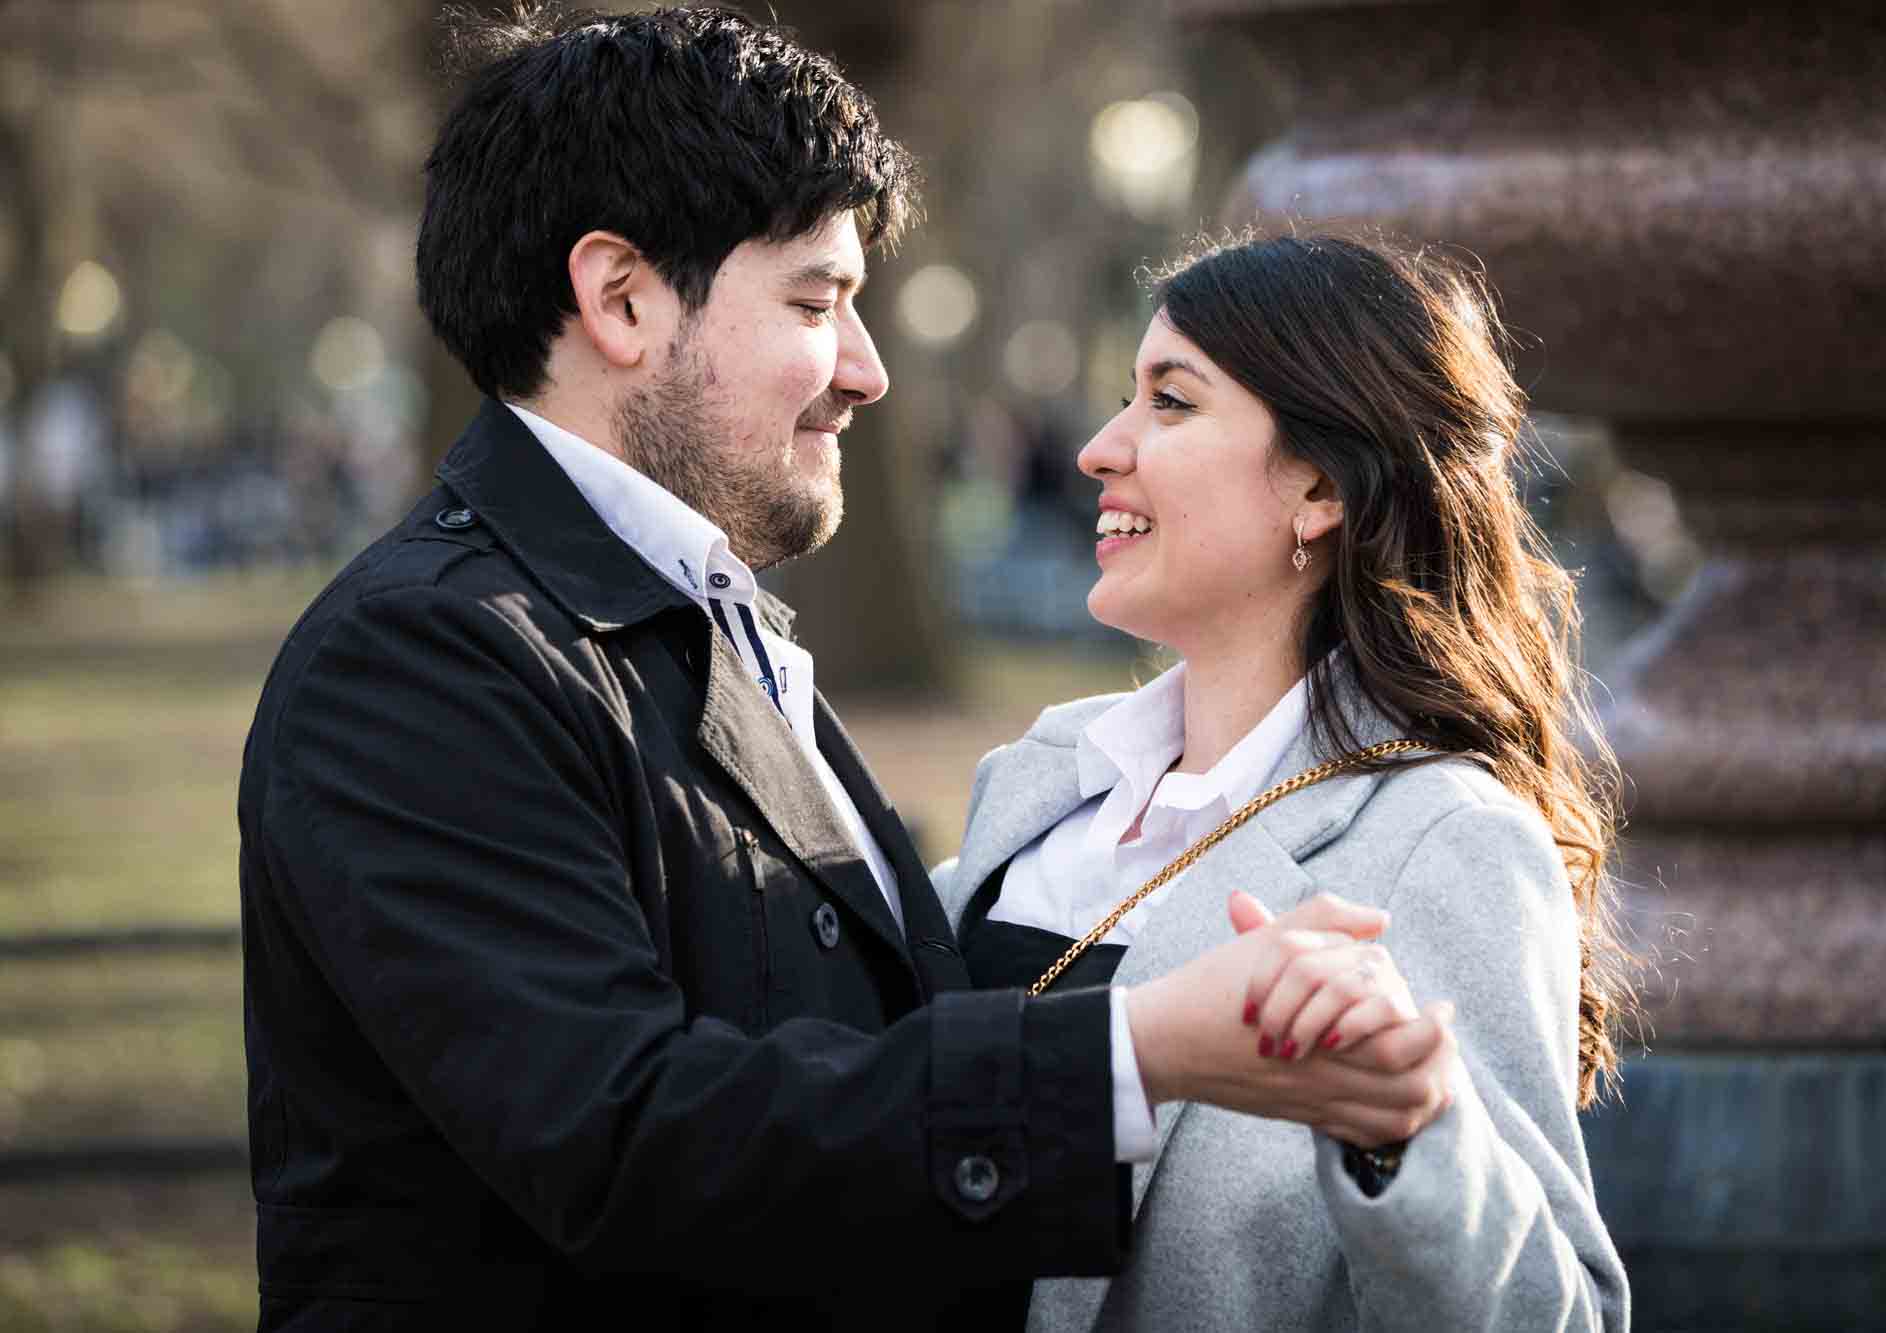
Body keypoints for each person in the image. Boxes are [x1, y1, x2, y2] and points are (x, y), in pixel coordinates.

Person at [235, 11, 1396, 1331]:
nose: (866, 369)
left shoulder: (709, 625)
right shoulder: (419, 662)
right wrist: (1139, 1052)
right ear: (621, 298)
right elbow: (628, 1138)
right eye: (815, 301)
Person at [935, 233, 1634, 1332]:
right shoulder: (1034, 787)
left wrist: (1404, 1134)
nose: (1099, 449)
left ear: (1314, 484)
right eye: (1128, 397)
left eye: (1170, 402)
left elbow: (1555, 1316)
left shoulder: (1441, 836)